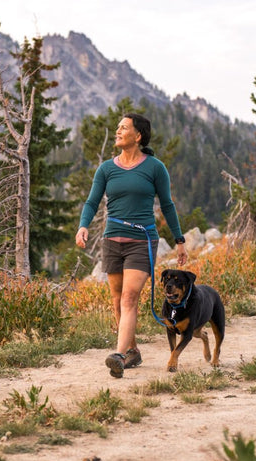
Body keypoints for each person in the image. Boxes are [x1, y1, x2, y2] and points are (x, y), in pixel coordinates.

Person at [75, 113, 187, 378]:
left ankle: (119, 356)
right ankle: (132, 351)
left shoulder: (155, 167)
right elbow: (92, 202)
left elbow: (168, 205)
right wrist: (83, 225)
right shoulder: (106, 169)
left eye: (123, 128)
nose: (117, 131)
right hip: (112, 239)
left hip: (142, 240)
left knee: (129, 298)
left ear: (138, 136)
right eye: (117, 128)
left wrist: (179, 240)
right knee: (116, 301)